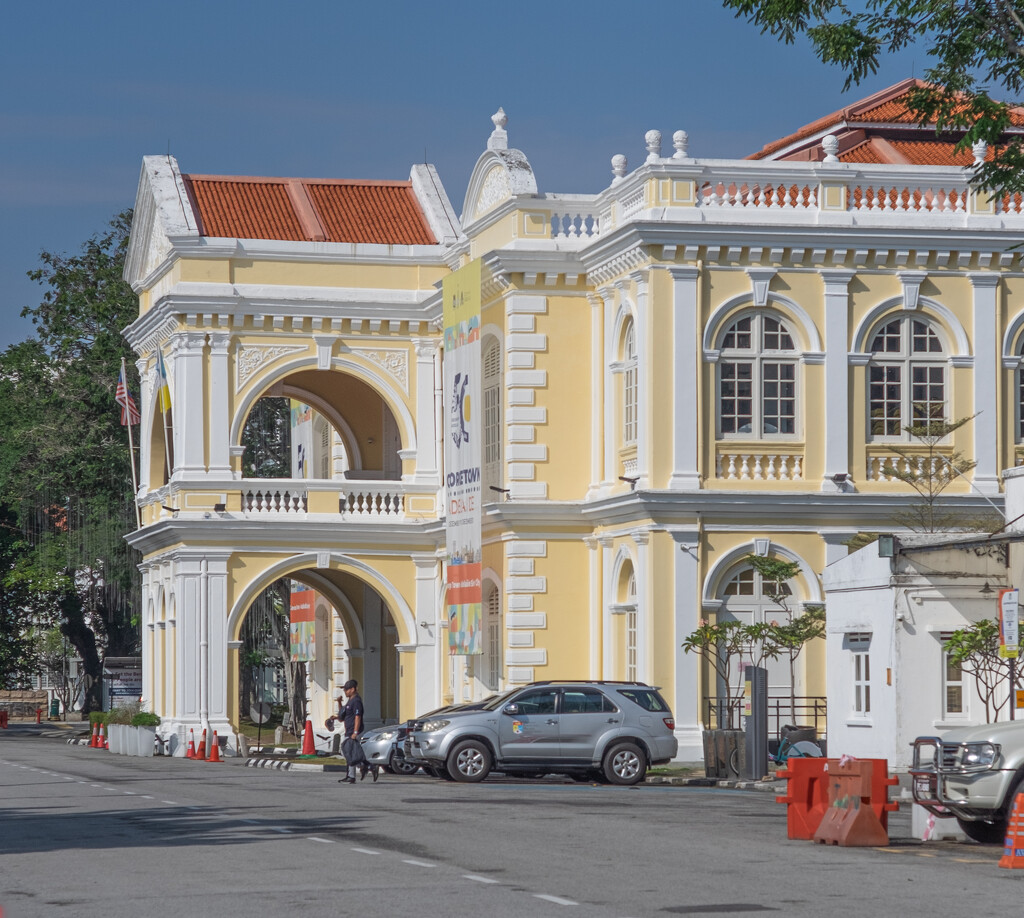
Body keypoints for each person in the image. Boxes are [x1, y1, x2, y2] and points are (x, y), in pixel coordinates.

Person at [331, 679, 378, 783]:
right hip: (349, 730)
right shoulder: (350, 701)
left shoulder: (356, 701)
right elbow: (342, 716)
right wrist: (339, 703)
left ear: (352, 689)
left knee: (349, 753)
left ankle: (364, 767)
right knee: (350, 753)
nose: (345, 692)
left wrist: (355, 732)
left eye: (347, 690)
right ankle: (359, 771)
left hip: (353, 731)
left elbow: (357, 717)